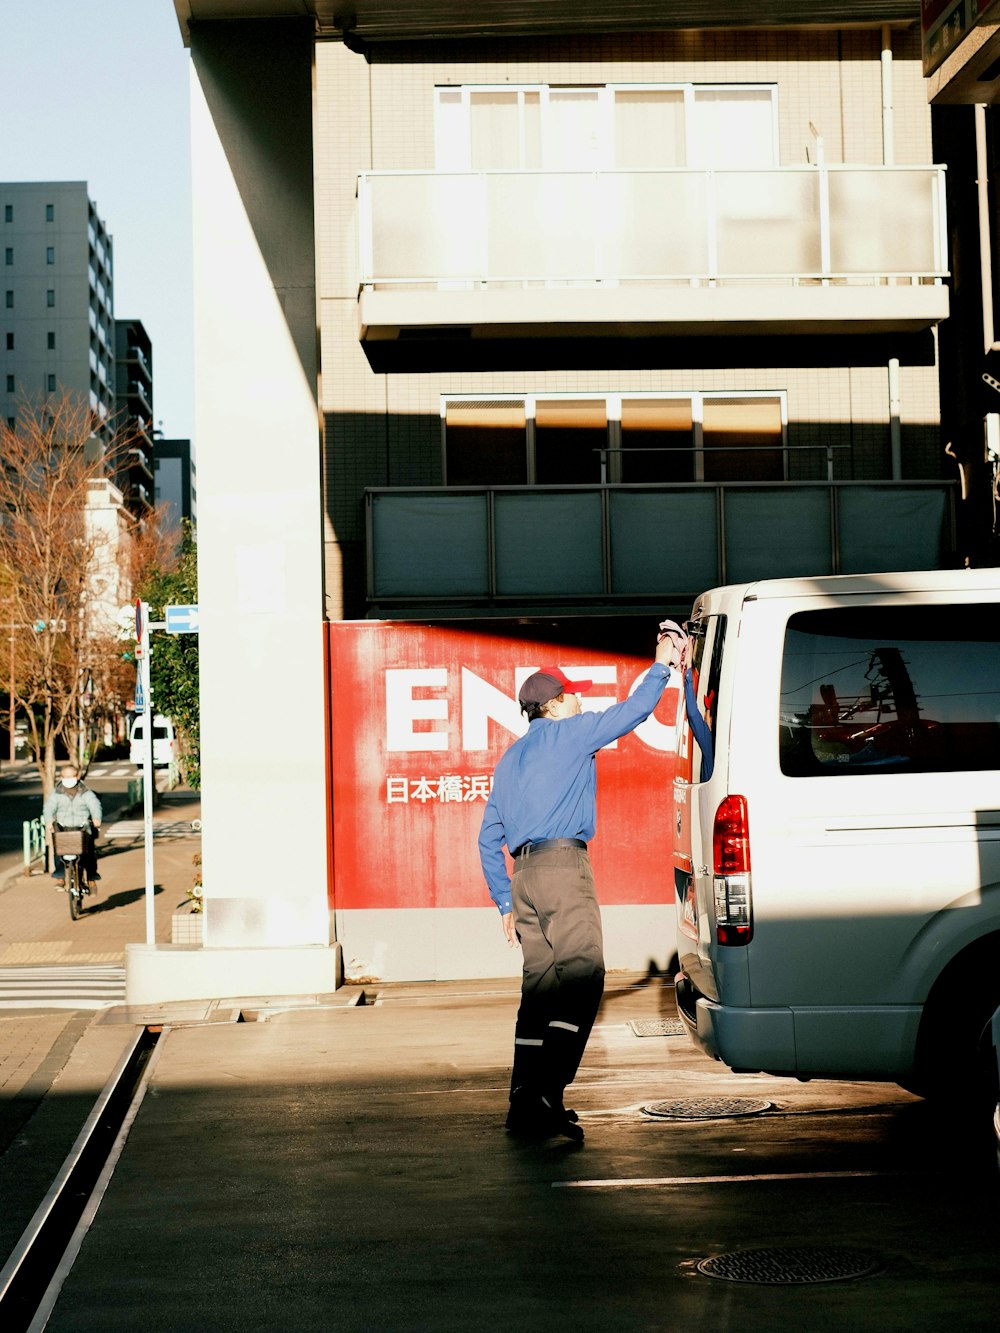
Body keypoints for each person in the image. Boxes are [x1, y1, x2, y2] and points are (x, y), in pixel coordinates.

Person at [478, 631, 684, 1142]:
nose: (580, 699)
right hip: (563, 869)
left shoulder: (507, 761)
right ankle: (547, 1096)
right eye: (572, 693)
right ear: (553, 705)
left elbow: (487, 840)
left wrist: (505, 900)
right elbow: (634, 711)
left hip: (523, 880)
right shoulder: (570, 734)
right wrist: (661, 664)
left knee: (539, 993)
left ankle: (523, 1102)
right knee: (584, 980)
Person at [43, 764, 102, 888]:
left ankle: (91, 877)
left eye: (71, 776)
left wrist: (96, 818)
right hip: (63, 827)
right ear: (61, 777)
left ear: (77, 776)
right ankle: (60, 877)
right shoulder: (56, 794)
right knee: (59, 851)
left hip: (82, 827)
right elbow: (49, 807)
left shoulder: (85, 792)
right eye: (65, 776)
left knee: (89, 852)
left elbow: (94, 804)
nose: (68, 779)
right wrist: (48, 821)